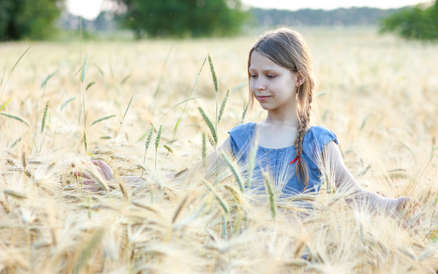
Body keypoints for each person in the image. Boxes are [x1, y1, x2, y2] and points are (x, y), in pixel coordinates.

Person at [75, 28, 408, 214]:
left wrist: (399, 207)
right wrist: (113, 183)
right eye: (252, 75)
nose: (258, 85)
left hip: (296, 260)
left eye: (270, 75)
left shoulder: (317, 142)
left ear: (298, 78)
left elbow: (354, 194)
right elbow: (186, 181)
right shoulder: (243, 138)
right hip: (243, 256)